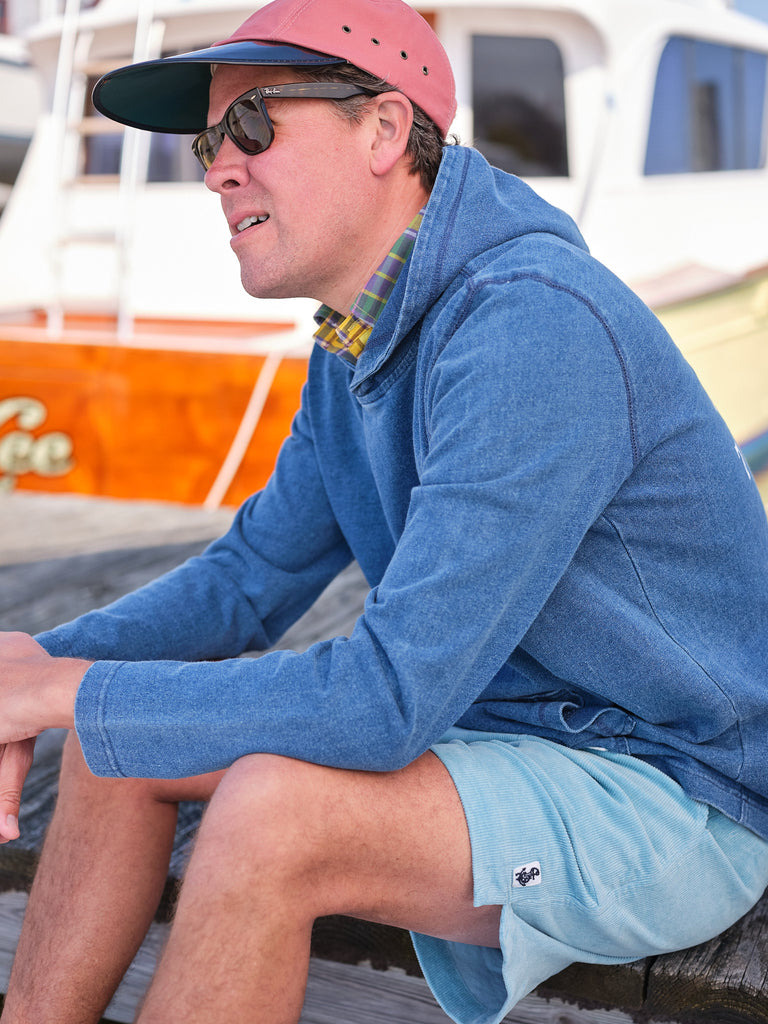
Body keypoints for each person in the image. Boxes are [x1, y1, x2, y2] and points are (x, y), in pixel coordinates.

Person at [1, 0, 768, 1021]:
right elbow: (249, 579)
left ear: (384, 129)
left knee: (272, 815)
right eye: (210, 141)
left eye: (254, 123)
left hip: (674, 794)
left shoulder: (534, 324)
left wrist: (68, 690)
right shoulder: (355, 338)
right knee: (119, 739)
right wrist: (35, 668)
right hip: (499, 739)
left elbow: (386, 699)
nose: (219, 168)